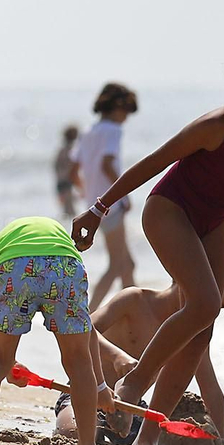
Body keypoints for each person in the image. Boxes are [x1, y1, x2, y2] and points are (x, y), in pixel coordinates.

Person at [71, 49, 224, 445]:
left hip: (215, 219)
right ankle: (133, 383)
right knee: (201, 303)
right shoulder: (217, 126)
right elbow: (153, 163)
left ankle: (147, 439)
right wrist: (98, 209)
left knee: (203, 328)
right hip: (169, 211)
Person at [0, 216, 110, 445]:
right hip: (66, 264)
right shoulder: (60, 242)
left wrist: (7, 363)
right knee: (78, 361)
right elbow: (89, 334)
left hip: (14, 266)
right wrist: (100, 385)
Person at [56, 254, 224, 445]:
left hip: (132, 410)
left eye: (215, 308)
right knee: (74, 435)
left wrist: (222, 443)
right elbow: (83, 328)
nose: (204, 311)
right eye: (204, 301)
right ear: (184, 278)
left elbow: (211, 390)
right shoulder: (134, 300)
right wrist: (116, 356)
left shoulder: (193, 334)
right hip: (86, 391)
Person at [72, 84, 138, 301]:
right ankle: (89, 316)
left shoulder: (88, 132)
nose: (126, 118)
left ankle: (135, 317)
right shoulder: (113, 130)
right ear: (118, 107)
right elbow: (107, 164)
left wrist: (88, 193)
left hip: (93, 205)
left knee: (127, 265)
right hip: (109, 205)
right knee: (118, 265)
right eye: (127, 112)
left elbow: (74, 171)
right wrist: (124, 195)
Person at [56, 125, 82, 220]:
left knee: (67, 211)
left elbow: (56, 169)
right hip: (67, 183)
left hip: (61, 183)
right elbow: (73, 172)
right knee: (70, 212)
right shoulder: (71, 151)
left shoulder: (61, 150)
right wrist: (81, 187)